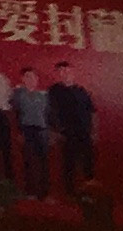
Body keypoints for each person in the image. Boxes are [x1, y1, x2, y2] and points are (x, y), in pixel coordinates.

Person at [48, 57, 97, 197]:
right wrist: (54, 131)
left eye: (67, 71)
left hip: (84, 132)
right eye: (61, 71)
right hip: (67, 134)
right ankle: (70, 193)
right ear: (57, 74)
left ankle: (90, 192)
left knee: (88, 162)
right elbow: (49, 112)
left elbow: (92, 112)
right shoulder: (54, 90)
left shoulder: (81, 91)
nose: (65, 74)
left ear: (72, 72)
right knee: (69, 164)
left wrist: (94, 132)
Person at [9, 56, 51, 199]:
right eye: (27, 77)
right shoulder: (18, 94)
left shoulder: (44, 95)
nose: (31, 79)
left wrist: (51, 131)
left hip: (42, 130)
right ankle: (30, 192)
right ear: (22, 79)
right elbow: (14, 112)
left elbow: (49, 114)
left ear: (37, 79)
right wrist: (18, 131)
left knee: (43, 162)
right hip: (26, 129)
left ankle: (44, 193)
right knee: (28, 161)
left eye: (33, 76)